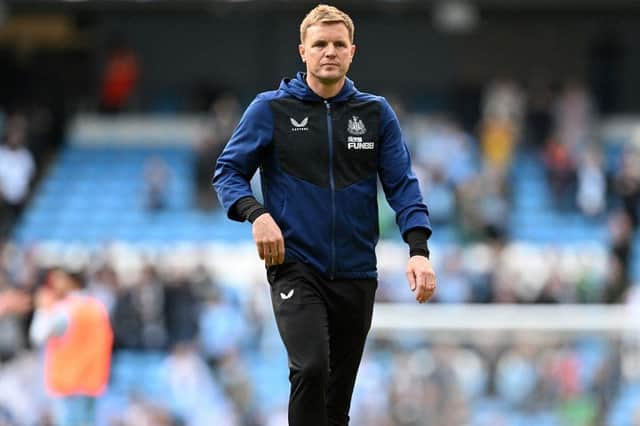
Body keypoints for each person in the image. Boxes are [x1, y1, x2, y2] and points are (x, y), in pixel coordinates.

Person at [213, 4, 436, 425]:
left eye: (338, 44)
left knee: (336, 404)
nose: (329, 51)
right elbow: (228, 172)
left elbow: (402, 184)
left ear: (352, 51)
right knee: (311, 368)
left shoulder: (376, 114)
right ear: (303, 51)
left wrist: (419, 249)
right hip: (296, 267)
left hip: (357, 274)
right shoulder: (270, 110)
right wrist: (256, 214)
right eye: (320, 44)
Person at [29, 268, 113, 426]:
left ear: (70, 281)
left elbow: (38, 335)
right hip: (92, 380)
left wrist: (43, 308)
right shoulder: (95, 307)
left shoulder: (64, 309)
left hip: (69, 382)